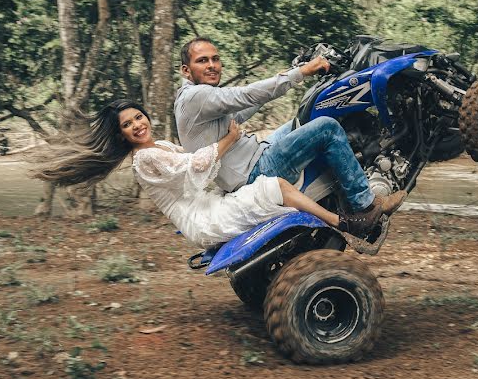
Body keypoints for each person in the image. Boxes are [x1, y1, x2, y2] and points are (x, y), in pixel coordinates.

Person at [31, 100, 378, 247]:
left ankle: (340, 207)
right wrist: (229, 138)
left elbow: (198, 157)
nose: (137, 125)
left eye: (138, 117)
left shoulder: (159, 146)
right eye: (128, 124)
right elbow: (195, 164)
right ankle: (345, 221)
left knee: (289, 144)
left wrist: (231, 128)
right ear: (121, 134)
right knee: (275, 186)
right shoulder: (143, 159)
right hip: (202, 218)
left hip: (208, 203)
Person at [174, 36, 406, 234]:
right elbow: (244, 96)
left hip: (253, 156)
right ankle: (365, 206)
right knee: (326, 127)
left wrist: (285, 76)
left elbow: (242, 110)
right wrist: (301, 72)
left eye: (215, 59)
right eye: (202, 61)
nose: (212, 65)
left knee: (303, 120)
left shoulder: (193, 99)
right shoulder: (197, 96)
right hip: (254, 172)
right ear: (186, 70)